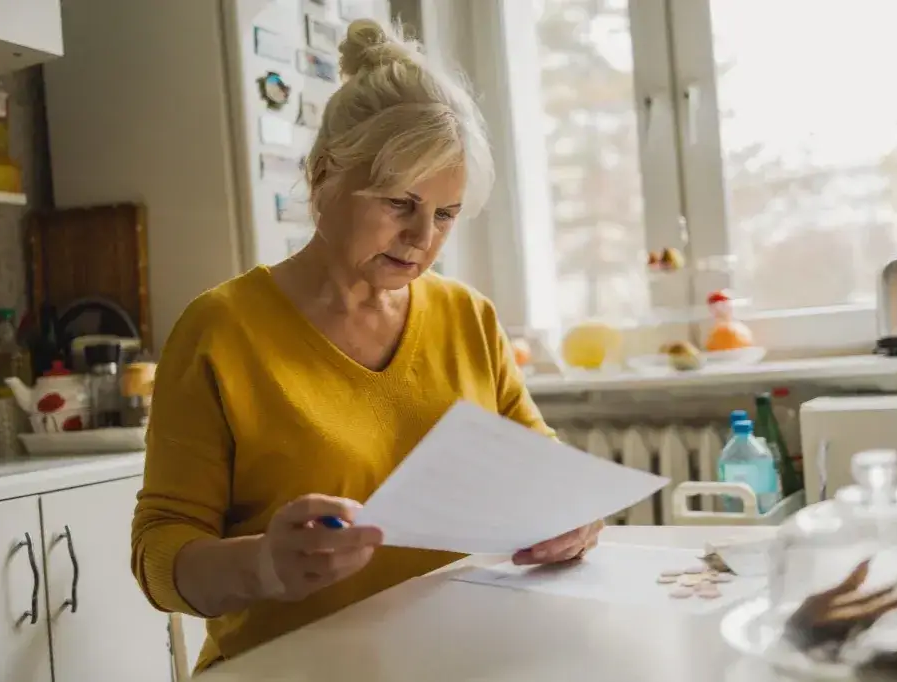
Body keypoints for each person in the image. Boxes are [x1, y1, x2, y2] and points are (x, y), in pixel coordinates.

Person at [131, 18, 603, 672]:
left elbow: (542, 470)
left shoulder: (467, 317)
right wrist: (264, 564)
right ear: (323, 175)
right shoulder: (220, 330)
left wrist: (574, 517)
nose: (422, 239)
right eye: (398, 203)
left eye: (444, 214)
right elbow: (160, 554)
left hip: (455, 662)